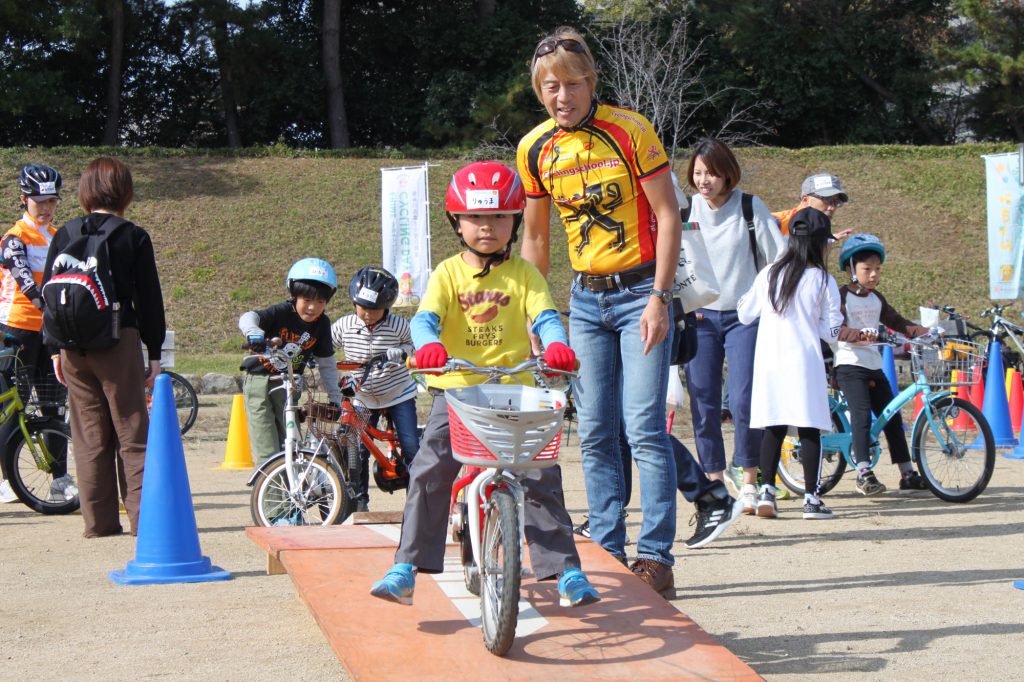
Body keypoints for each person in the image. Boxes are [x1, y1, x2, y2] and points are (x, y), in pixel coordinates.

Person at [370, 161, 599, 609]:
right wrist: (429, 345)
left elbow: (546, 316)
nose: (487, 227)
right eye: (476, 218)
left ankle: (566, 570)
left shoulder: (525, 274)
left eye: (498, 217)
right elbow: (426, 319)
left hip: (517, 391)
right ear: (457, 222)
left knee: (541, 475)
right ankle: (406, 567)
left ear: (514, 221)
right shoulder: (447, 274)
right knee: (430, 470)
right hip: (457, 391)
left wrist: (557, 345)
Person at [517, 27, 681, 598]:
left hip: (641, 290)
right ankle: (608, 548)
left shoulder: (630, 130)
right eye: (551, 87)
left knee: (642, 427)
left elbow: (668, 215)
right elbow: (535, 240)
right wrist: (537, 317)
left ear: (592, 82)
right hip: (585, 300)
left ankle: (657, 557)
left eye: (573, 84)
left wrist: (660, 297)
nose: (563, 96)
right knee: (592, 431)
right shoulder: (535, 147)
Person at [43, 157, 165, 538]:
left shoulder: (65, 232)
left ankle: (98, 523)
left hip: (72, 347)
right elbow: (149, 299)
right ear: (124, 191)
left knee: (88, 433)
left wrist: (54, 350)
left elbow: (49, 294)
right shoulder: (132, 236)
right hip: (117, 340)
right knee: (132, 429)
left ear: (85, 191)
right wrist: (155, 351)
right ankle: (143, 522)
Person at [683, 138, 786, 515]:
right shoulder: (685, 209)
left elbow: (779, 260)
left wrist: (764, 303)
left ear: (727, 173)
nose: (704, 180)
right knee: (704, 400)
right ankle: (714, 484)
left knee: (745, 399)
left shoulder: (749, 206)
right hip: (700, 316)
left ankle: (748, 481)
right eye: (697, 173)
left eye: (711, 172)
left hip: (745, 316)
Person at [737, 207, 843, 520]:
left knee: (774, 425)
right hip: (804, 362)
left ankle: (766, 491)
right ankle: (811, 499)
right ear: (820, 243)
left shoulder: (769, 273)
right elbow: (830, 330)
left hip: (770, 361)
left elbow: (744, 313)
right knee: (809, 428)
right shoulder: (822, 280)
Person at [0, 164, 75, 505]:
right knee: (12, 408)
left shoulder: (59, 235)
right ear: (23, 200)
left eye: (52, 201)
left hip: (50, 334)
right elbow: (24, 278)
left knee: (53, 406)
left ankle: (60, 477)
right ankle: (6, 478)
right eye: (39, 201)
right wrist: (45, 304)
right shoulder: (14, 237)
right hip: (17, 331)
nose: (46, 208)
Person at [835, 234, 930, 494]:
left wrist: (925, 331)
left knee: (892, 417)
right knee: (862, 414)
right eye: (867, 269)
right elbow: (835, 329)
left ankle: (907, 474)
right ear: (850, 269)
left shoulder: (877, 298)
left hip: (873, 365)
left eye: (877, 269)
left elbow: (897, 322)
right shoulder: (841, 297)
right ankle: (863, 471)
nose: (874, 274)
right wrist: (858, 334)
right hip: (848, 364)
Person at [238, 258, 342, 465]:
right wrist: (254, 334)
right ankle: (271, 495)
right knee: (266, 443)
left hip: (289, 383)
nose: (313, 307)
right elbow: (248, 317)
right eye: (307, 299)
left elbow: (327, 364)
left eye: (321, 302)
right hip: (259, 380)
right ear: (294, 295)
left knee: (291, 442)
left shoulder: (322, 324)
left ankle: (294, 492)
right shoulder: (281, 312)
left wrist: (335, 398)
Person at [332, 266, 418, 511]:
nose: (368, 314)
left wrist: (403, 352)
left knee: (411, 446)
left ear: (387, 307)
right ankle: (360, 504)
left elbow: (416, 342)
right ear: (353, 303)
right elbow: (326, 346)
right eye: (363, 307)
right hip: (363, 396)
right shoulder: (345, 325)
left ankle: (416, 504)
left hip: (398, 391)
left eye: (374, 310)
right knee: (356, 449)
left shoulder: (397, 325)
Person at [771, 173, 851, 237]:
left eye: (837, 202)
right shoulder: (775, 222)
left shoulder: (819, 232)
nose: (832, 207)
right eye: (827, 199)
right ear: (805, 200)